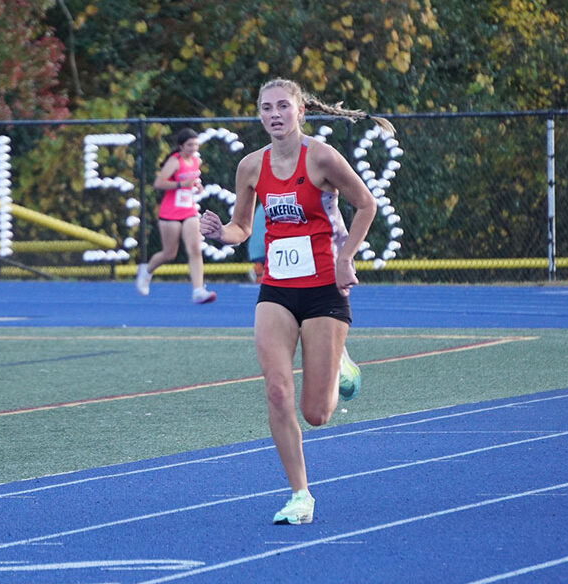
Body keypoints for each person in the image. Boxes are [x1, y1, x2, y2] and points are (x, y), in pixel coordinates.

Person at [199, 78, 393, 524]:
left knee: (317, 413)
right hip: (277, 289)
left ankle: (342, 360)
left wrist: (346, 258)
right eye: (266, 108)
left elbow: (366, 205)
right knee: (276, 388)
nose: (275, 115)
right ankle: (300, 494)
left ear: (300, 111)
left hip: (325, 287)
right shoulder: (251, 167)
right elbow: (242, 227)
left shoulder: (322, 157)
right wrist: (220, 233)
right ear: (259, 115)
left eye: (283, 106)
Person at [135, 128, 216, 304]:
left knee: (195, 248)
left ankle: (198, 290)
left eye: (195, 144)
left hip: (189, 210)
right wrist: (181, 184)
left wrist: (197, 185)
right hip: (170, 213)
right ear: (181, 146)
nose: (193, 147)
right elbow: (159, 183)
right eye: (189, 145)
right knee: (169, 253)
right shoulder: (174, 161)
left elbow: (193, 178)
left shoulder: (196, 160)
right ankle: (146, 271)